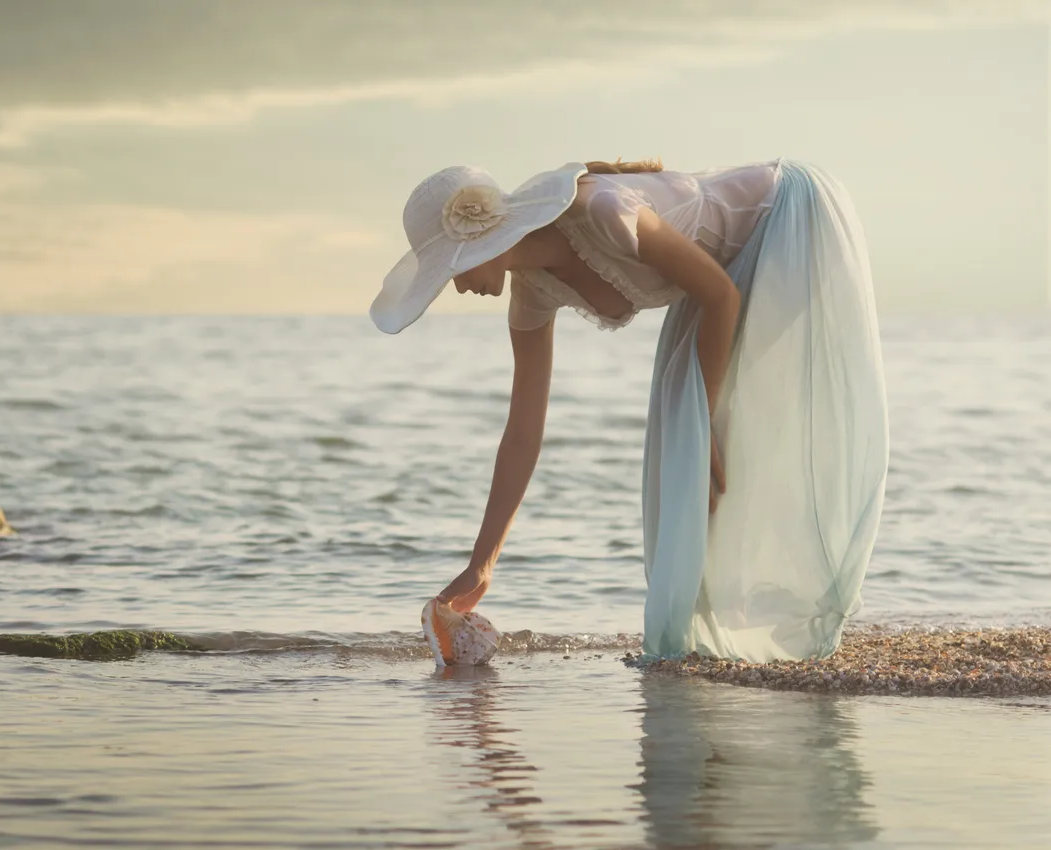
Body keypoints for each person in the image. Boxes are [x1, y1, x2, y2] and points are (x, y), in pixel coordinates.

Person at [371, 157, 889, 663]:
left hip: (786, 218)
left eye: (453, 269)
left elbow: (720, 296)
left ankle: (792, 615)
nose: (457, 286)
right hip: (714, 286)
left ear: (483, 239)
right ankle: (717, 630)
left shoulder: (603, 212)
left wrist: (704, 421)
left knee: (716, 435)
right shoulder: (531, 294)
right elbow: (522, 433)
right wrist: (483, 564)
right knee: (685, 450)